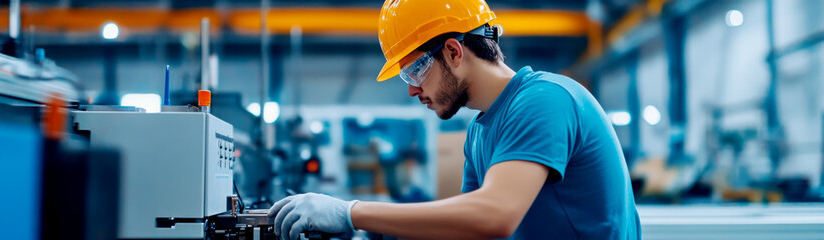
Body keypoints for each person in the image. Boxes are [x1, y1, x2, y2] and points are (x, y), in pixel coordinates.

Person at [269, 0, 641, 239]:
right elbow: (466, 230)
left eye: (414, 70)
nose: (412, 91)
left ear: (453, 51)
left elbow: (494, 215)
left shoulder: (544, 100)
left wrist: (352, 213)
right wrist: (373, 233)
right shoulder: (479, 132)